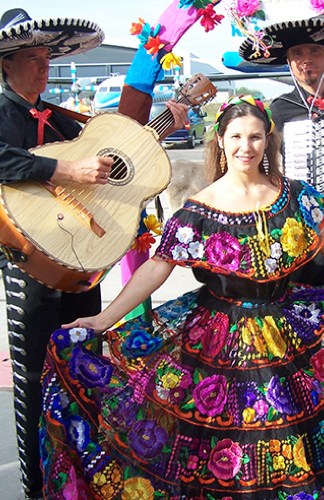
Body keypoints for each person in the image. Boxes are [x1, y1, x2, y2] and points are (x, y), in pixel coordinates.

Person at [42, 95, 324, 500]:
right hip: (220, 337)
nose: (246, 147)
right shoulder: (200, 209)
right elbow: (158, 266)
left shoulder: (296, 194)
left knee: (280, 430)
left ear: (268, 142)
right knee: (232, 437)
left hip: (285, 328)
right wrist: (103, 320)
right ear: (221, 141)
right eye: (237, 136)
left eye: (256, 137)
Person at [0, 9, 187, 498]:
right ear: (6, 66)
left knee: (85, 358)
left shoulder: (63, 117)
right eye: (30, 60)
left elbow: (124, 146)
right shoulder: (2, 112)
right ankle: (39, 485)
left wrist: (170, 117)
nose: (42, 68)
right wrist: (64, 169)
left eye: (46, 59)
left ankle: (84, 472)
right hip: (29, 256)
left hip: (80, 250)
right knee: (35, 373)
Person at [240, 17, 324, 287]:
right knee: (305, 302)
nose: (306, 59)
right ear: (289, 62)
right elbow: (264, 166)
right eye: (297, 53)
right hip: (301, 225)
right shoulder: (278, 110)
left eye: (315, 51)